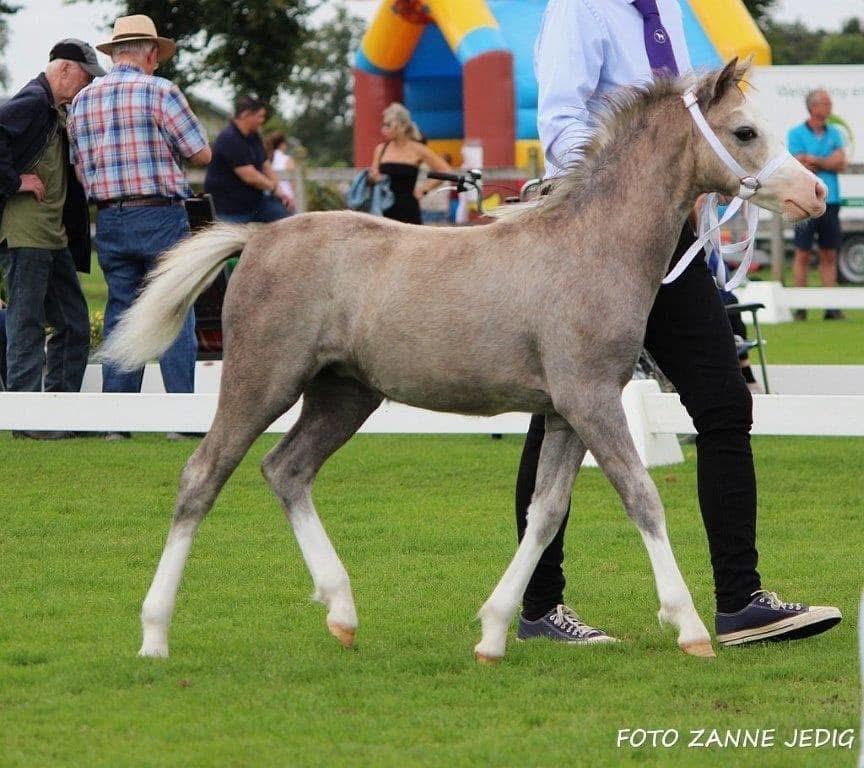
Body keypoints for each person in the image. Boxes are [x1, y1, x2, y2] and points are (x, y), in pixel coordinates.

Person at [516, 0, 841, 648]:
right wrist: (620, 197)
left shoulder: (667, 6)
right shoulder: (579, 8)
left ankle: (741, 602)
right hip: (598, 244)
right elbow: (559, 123)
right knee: (558, 412)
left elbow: (695, 121)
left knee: (724, 404)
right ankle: (539, 608)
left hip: (677, 247)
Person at [68, 14, 212, 440]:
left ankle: (118, 421)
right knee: (173, 307)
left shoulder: (83, 101)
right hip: (161, 214)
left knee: (122, 312)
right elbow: (200, 153)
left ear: (115, 54)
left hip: (110, 218)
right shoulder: (160, 91)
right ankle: (180, 419)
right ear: (150, 54)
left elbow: (79, 170)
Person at [0, 39, 104, 439]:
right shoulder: (30, 101)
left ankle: (58, 416)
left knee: (74, 323)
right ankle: (28, 423)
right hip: (27, 234)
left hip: (51, 236)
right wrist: (14, 181)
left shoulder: (51, 108)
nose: (86, 85)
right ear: (64, 70)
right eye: (84, 77)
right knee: (25, 323)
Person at [788, 89, 847, 321]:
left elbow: (840, 162)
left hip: (830, 202)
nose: (830, 107)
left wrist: (815, 160)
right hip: (805, 201)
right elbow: (797, 163)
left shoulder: (836, 133)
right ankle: (801, 307)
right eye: (826, 103)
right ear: (813, 107)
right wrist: (826, 161)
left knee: (829, 253)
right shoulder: (795, 133)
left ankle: (831, 307)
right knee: (802, 253)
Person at [205, 97, 292, 223]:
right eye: (260, 116)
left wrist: (279, 189)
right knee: (233, 242)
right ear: (245, 115)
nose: (262, 121)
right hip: (229, 209)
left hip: (256, 204)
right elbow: (250, 176)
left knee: (286, 219)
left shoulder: (254, 136)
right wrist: (273, 188)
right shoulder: (229, 138)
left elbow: (265, 164)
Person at [368, 102, 452, 225]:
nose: (383, 129)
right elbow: (372, 175)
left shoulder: (418, 149)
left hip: (408, 210)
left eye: (388, 125)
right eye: (383, 125)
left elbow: (446, 171)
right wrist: (373, 178)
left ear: (401, 126)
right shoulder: (381, 149)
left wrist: (424, 189)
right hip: (382, 210)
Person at [265, 131, 296, 214]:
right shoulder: (287, 159)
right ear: (282, 144)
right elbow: (293, 183)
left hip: (270, 196)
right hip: (286, 198)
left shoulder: (266, 159)